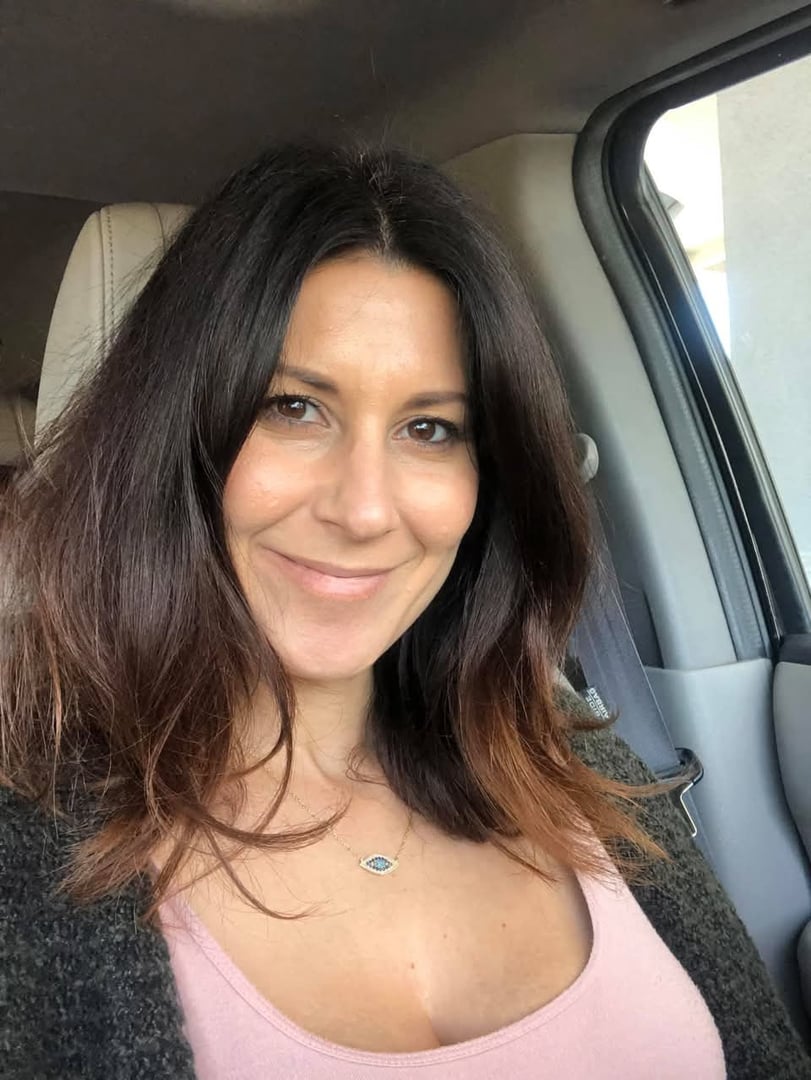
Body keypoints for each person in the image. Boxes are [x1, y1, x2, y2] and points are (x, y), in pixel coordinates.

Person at [0, 142, 807, 1080]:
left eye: (429, 428)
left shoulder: (572, 763)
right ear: (174, 434)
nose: (364, 510)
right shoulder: (26, 834)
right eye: (293, 407)